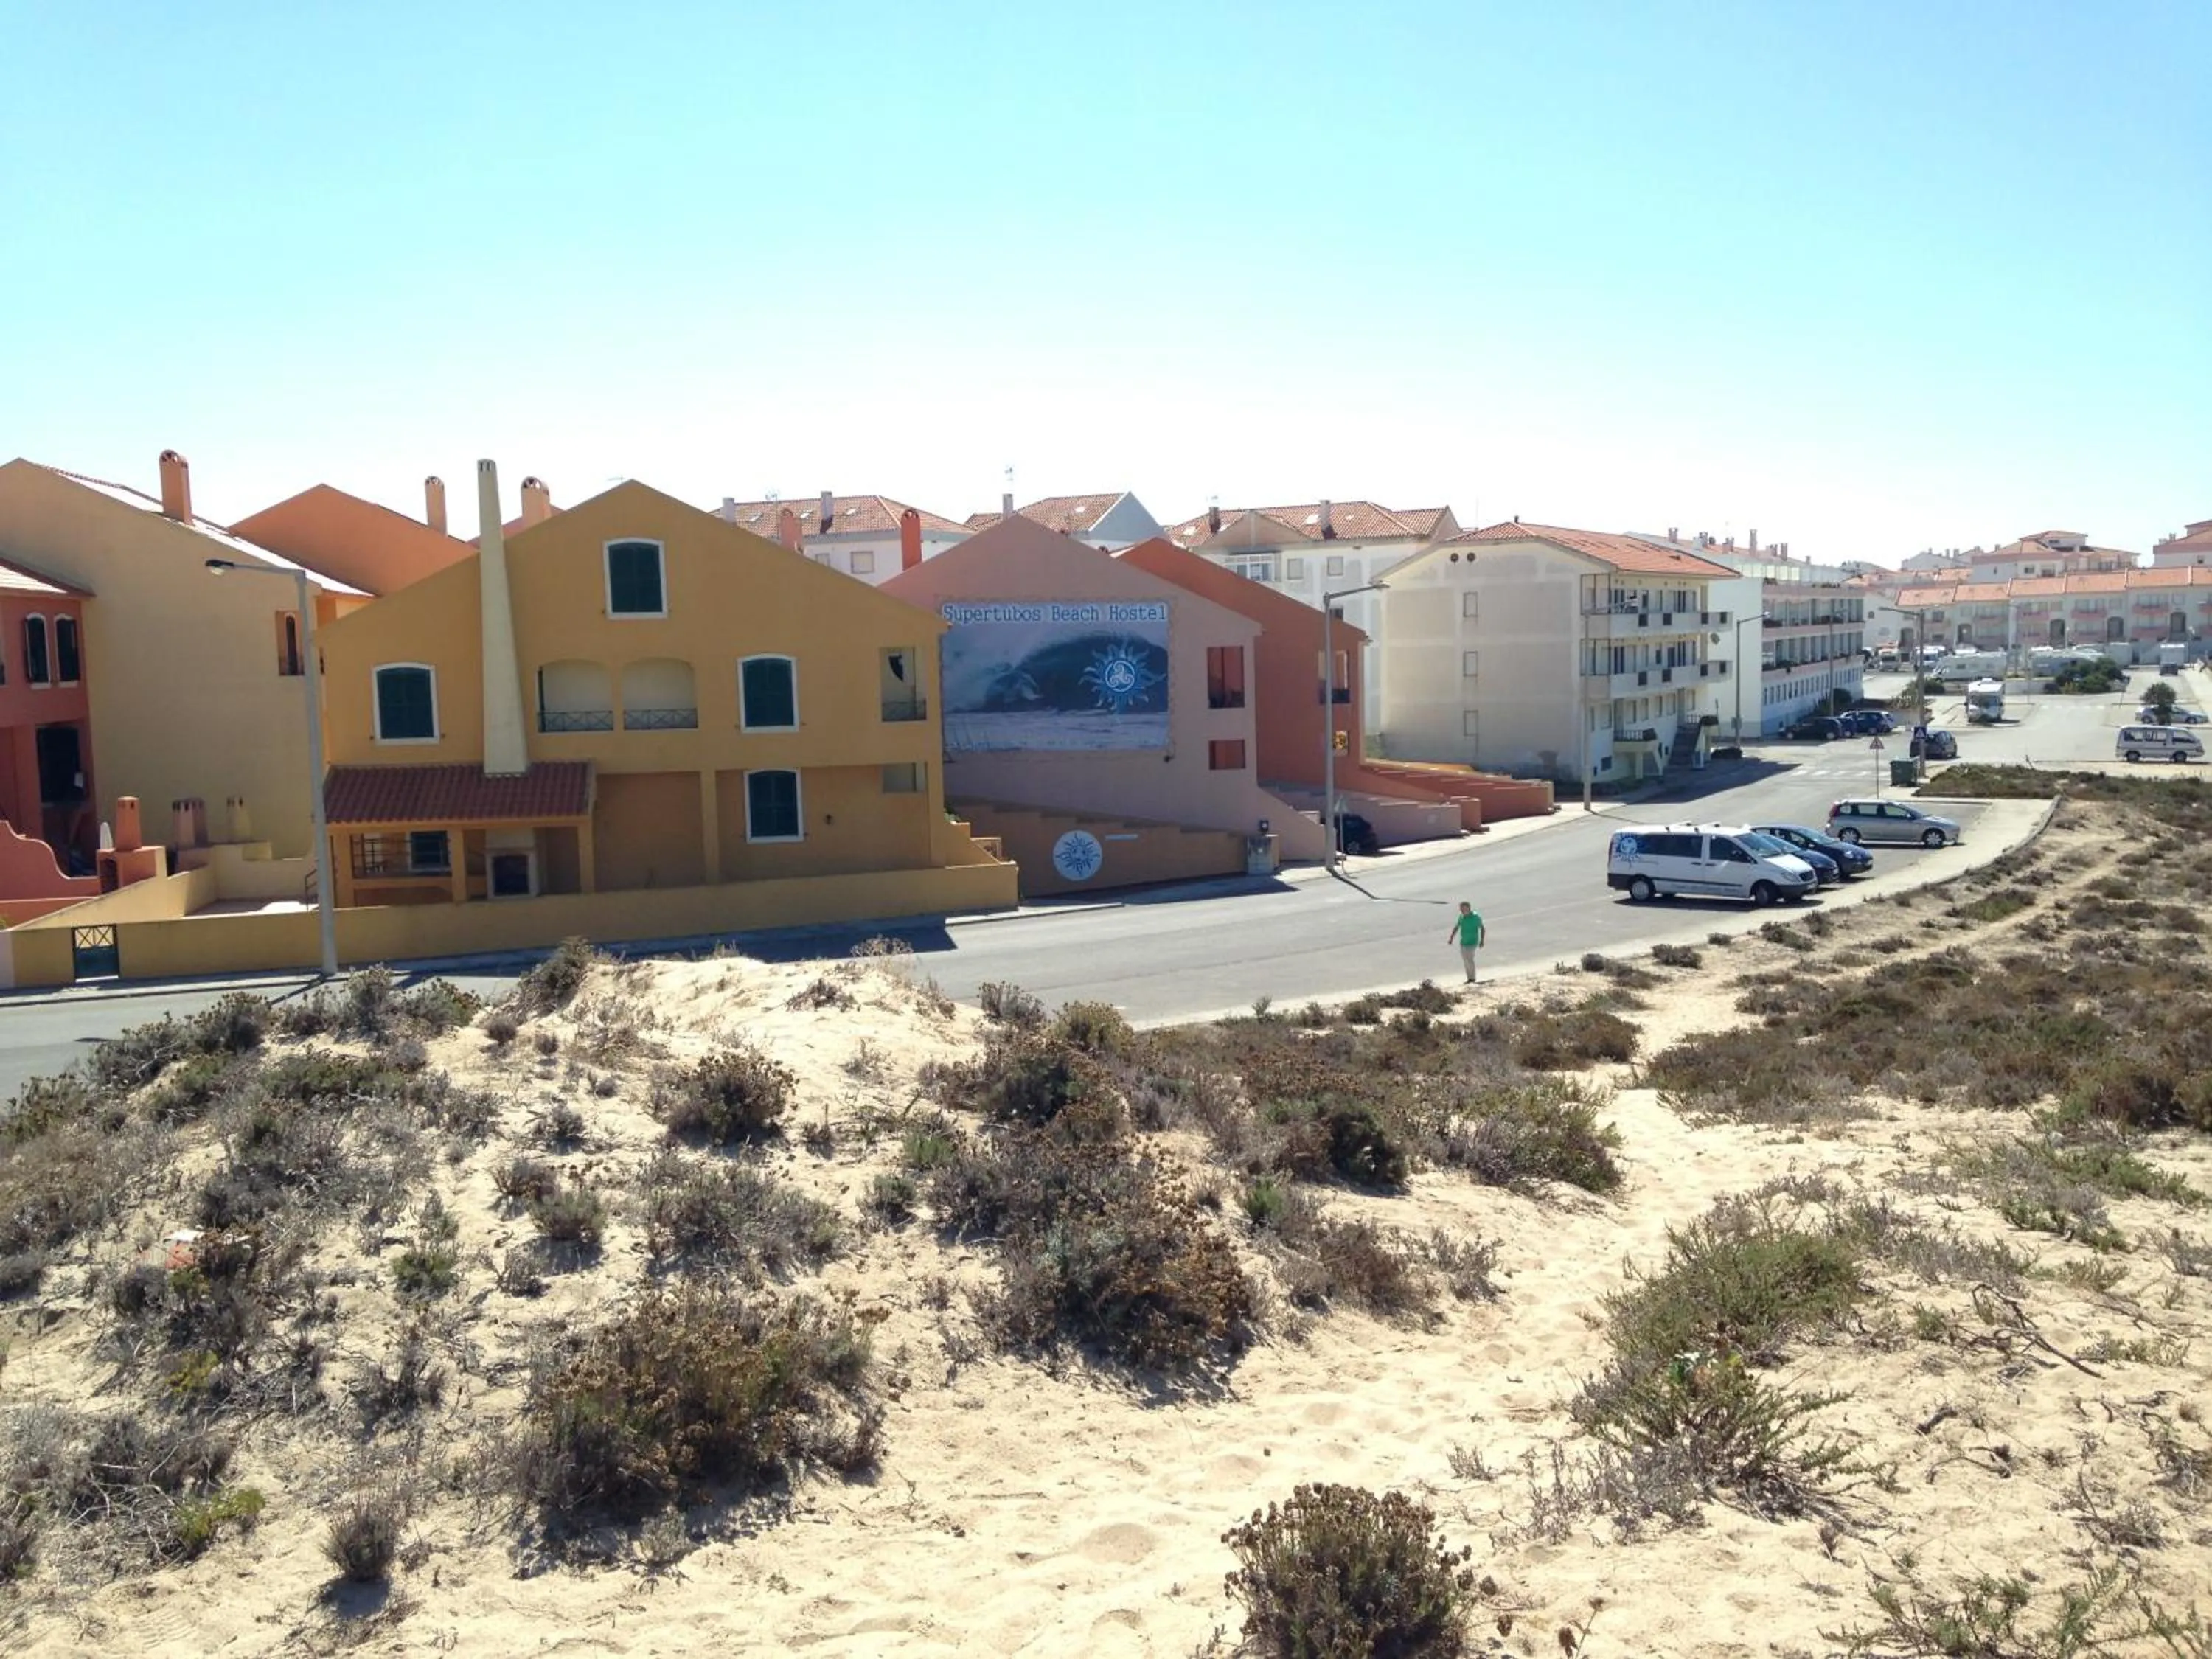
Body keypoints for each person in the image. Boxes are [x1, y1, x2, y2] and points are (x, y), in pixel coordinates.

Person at [1447, 900, 1485, 984]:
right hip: (1463, 942)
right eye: (1461, 909)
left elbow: (1482, 928)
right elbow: (1457, 927)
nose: (1461, 911)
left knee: (1470, 959)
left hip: (1473, 942)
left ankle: (1472, 978)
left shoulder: (1475, 917)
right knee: (1465, 961)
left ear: (1468, 908)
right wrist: (1451, 938)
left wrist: (1482, 941)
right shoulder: (1461, 917)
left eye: (1463, 909)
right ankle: (1469, 978)